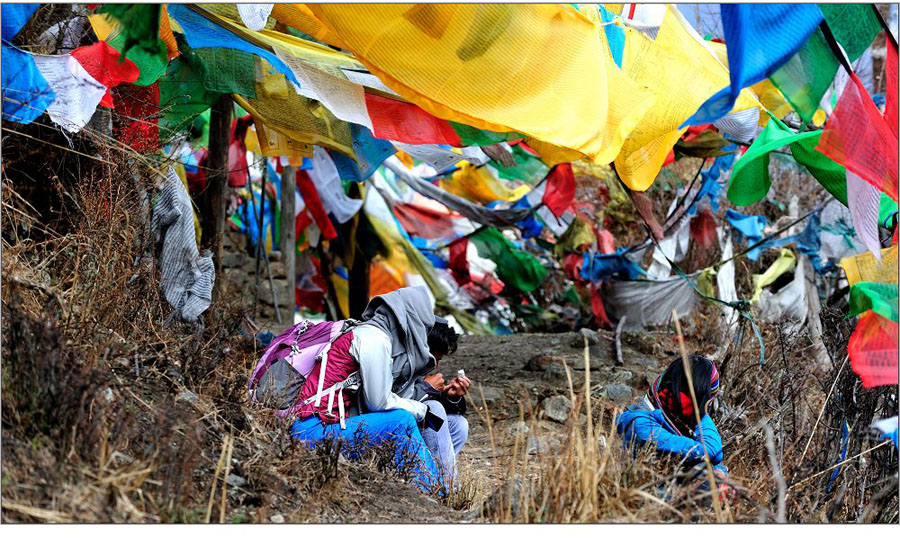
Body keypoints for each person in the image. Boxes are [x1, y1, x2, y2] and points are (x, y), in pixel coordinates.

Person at [289, 287, 469, 493]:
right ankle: (438, 492)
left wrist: (443, 400)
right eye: (423, 324)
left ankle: (437, 487)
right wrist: (422, 410)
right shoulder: (374, 339)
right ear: (411, 320)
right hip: (312, 431)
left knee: (442, 422)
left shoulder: (385, 342)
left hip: (330, 425)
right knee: (402, 421)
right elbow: (379, 402)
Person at [616, 355, 728, 486]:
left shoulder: (675, 419)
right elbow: (712, 451)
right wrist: (699, 412)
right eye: (707, 401)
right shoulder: (639, 423)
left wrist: (719, 472)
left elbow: (715, 462)